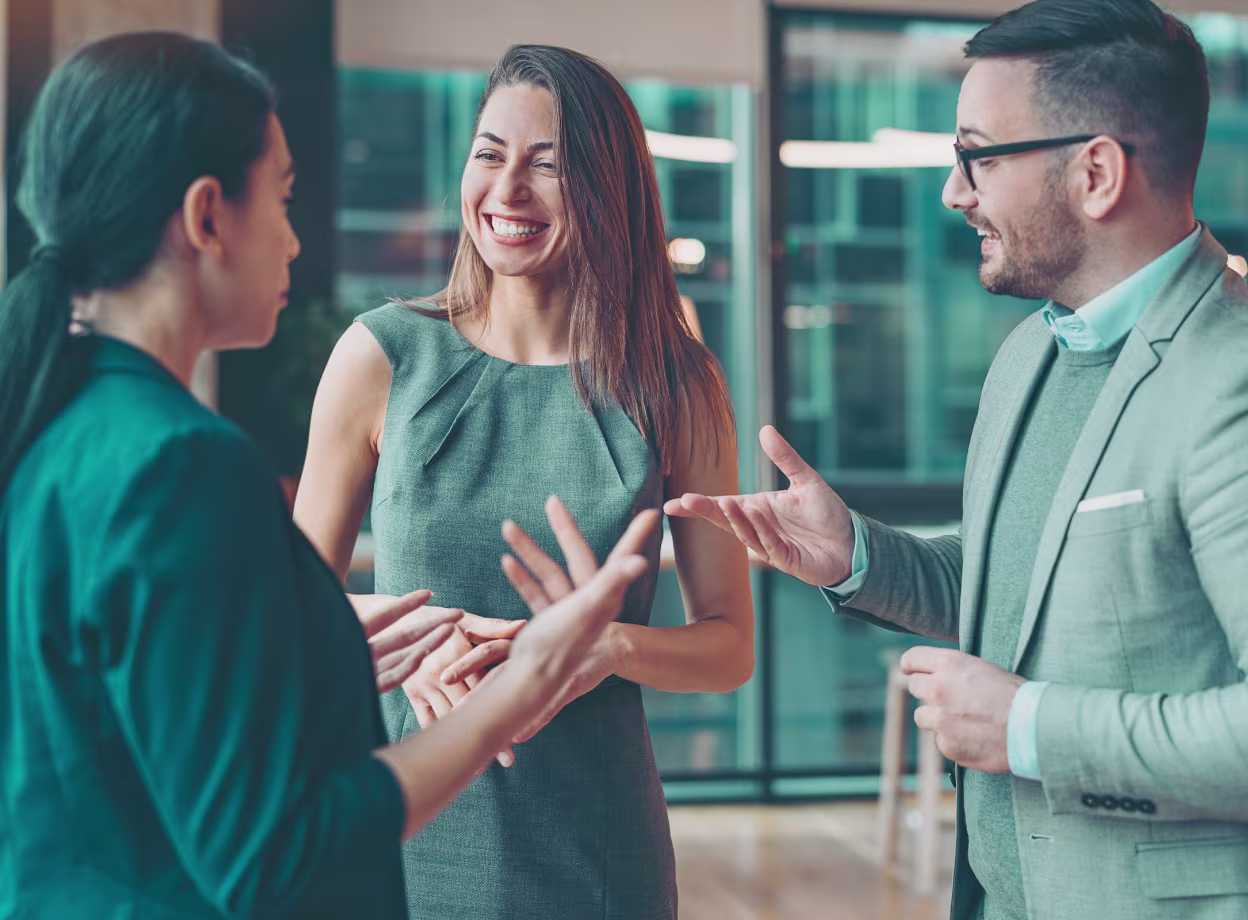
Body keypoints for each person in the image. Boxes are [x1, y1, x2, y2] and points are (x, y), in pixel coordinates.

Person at [0, 31, 656, 918]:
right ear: (206, 218)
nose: (296, 242)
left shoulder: (53, 418)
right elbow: (273, 857)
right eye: (282, 197)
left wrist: (327, 639)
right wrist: (524, 685)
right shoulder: (182, 462)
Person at [668, 1, 1248, 918]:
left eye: (979, 155)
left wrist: (1026, 729)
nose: (954, 191)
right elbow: (1026, 587)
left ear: (1095, 172)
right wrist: (857, 553)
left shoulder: (1233, 379)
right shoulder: (1028, 356)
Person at [294, 44, 754, 920]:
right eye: (490, 153)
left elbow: (730, 644)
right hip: (402, 824)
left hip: (596, 842)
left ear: (609, 188)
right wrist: (399, 642)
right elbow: (285, 620)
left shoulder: (677, 382)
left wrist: (606, 647)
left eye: (548, 166)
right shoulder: (380, 357)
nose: (507, 191)